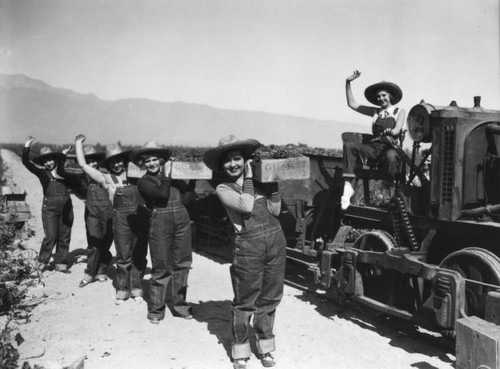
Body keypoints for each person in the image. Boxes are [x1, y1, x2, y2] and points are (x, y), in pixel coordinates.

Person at [203, 135, 286, 369]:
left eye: (237, 158)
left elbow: (275, 211)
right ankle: (240, 350)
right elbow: (246, 206)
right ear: (222, 166)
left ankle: (265, 347)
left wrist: (274, 187)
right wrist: (249, 177)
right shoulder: (223, 188)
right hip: (248, 245)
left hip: (275, 240)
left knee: (270, 297)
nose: (233, 164)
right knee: (245, 300)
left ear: (245, 159)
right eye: (227, 161)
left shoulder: (260, 181)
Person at [74, 134, 148, 304]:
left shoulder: (136, 176)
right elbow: (83, 165)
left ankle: (136, 288)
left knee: (140, 254)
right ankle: (122, 289)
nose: (117, 164)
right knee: (123, 256)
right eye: (112, 162)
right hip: (120, 220)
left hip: (140, 219)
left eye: (119, 160)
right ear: (108, 164)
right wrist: (78, 144)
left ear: (124, 160)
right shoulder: (106, 179)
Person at [131, 141, 194, 324]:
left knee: (182, 264)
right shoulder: (143, 182)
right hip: (159, 222)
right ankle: (157, 310)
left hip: (182, 220)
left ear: (160, 160)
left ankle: (180, 306)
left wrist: (195, 178)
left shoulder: (174, 178)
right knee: (160, 266)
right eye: (147, 161)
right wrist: (167, 175)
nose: (151, 164)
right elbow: (161, 195)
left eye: (154, 160)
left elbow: (187, 194)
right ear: (143, 164)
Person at [341, 70, 406, 209]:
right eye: (378, 96)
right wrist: (348, 82)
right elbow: (352, 104)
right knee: (349, 146)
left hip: (388, 147)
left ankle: (387, 190)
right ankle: (348, 186)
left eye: (384, 95)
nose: (381, 98)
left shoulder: (399, 111)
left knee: (392, 156)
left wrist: (391, 131)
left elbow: (398, 128)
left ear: (390, 96)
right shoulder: (375, 112)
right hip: (373, 147)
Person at [64, 141, 114, 288]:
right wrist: (64, 155)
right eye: (89, 161)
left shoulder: (105, 175)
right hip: (92, 213)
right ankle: (89, 273)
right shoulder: (81, 177)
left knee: (106, 241)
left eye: (94, 161)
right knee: (93, 244)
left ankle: (101, 271)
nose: (92, 164)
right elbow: (64, 171)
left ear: (98, 162)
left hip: (108, 212)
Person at [22, 136, 74, 273]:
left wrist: (64, 154)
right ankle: (42, 262)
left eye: (50, 159)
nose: (49, 162)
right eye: (45, 160)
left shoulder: (63, 172)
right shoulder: (42, 173)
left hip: (66, 208)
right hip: (49, 209)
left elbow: (63, 163)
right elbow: (26, 163)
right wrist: (27, 146)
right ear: (43, 163)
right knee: (51, 236)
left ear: (55, 160)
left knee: (64, 236)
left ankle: (61, 262)